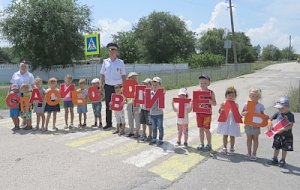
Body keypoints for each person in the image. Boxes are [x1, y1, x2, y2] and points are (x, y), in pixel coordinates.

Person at [100, 43, 126, 130]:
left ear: (116, 52)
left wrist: (124, 87)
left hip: (118, 87)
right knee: (108, 105)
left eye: (113, 50)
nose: (111, 52)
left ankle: (122, 123)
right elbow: (102, 74)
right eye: (110, 50)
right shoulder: (105, 62)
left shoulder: (120, 62)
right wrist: (101, 85)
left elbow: (123, 75)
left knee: (119, 105)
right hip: (107, 86)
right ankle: (109, 123)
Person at [268, 97, 294, 167]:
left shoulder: (290, 115)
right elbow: (270, 119)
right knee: (276, 147)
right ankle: (275, 158)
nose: (280, 110)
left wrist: (283, 129)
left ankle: (283, 160)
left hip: (287, 135)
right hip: (278, 134)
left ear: (287, 107)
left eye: (282, 108)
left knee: (284, 148)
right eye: (278, 108)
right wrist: (270, 122)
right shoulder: (278, 113)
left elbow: (290, 125)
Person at [241, 88, 265, 161]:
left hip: (256, 125)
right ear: (249, 96)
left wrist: (262, 121)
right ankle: (248, 153)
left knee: (255, 139)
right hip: (248, 124)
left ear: (259, 97)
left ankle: (254, 153)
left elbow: (263, 115)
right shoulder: (246, 104)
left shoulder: (260, 105)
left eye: (256, 96)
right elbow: (242, 113)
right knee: (249, 138)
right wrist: (244, 113)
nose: (254, 98)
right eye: (253, 96)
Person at [9, 62, 35, 129]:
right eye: (22, 66)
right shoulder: (15, 74)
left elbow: (33, 86)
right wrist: (8, 94)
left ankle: (29, 125)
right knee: (20, 111)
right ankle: (24, 121)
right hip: (16, 97)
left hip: (26, 96)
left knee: (27, 111)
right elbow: (11, 85)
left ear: (27, 67)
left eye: (25, 66)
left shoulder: (30, 75)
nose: (23, 67)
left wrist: (32, 97)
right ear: (19, 67)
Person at [217, 86, 241, 155]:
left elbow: (237, 114)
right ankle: (224, 148)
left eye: (233, 96)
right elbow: (219, 111)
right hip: (225, 121)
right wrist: (221, 110)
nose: (231, 97)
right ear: (226, 96)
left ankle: (232, 148)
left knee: (232, 135)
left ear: (235, 96)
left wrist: (239, 116)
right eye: (229, 95)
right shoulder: (223, 103)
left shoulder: (236, 104)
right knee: (225, 134)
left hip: (232, 121)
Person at [196, 75, 217, 152]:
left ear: (208, 83)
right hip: (199, 114)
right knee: (200, 129)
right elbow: (195, 102)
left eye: (204, 83)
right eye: (201, 83)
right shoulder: (197, 92)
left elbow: (215, 103)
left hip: (207, 114)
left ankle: (209, 144)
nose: (202, 84)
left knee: (206, 129)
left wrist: (211, 102)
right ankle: (201, 143)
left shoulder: (211, 92)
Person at [126, 72, 141, 138]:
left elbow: (141, 96)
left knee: (137, 119)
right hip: (129, 104)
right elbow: (124, 95)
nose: (134, 79)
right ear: (129, 78)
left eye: (135, 77)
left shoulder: (139, 86)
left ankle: (137, 132)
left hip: (136, 104)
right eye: (132, 78)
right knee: (130, 118)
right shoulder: (126, 86)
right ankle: (131, 131)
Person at [150, 77, 165, 146]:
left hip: (159, 114)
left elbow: (161, 102)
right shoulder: (150, 93)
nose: (154, 86)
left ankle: (161, 139)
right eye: (153, 85)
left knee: (160, 127)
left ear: (160, 85)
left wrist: (162, 93)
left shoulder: (161, 93)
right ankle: (154, 138)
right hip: (152, 114)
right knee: (153, 127)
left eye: (156, 85)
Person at [139, 78, 153, 143]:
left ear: (150, 84)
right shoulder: (142, 91)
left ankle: (150, 136)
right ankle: (144, 134)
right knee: (143, 122)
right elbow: (139, 99)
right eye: (144, 84)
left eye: (146, 84)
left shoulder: (152, 93)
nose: (145, 85)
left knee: (149, 124)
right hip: (142, 109)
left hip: (148, 110)